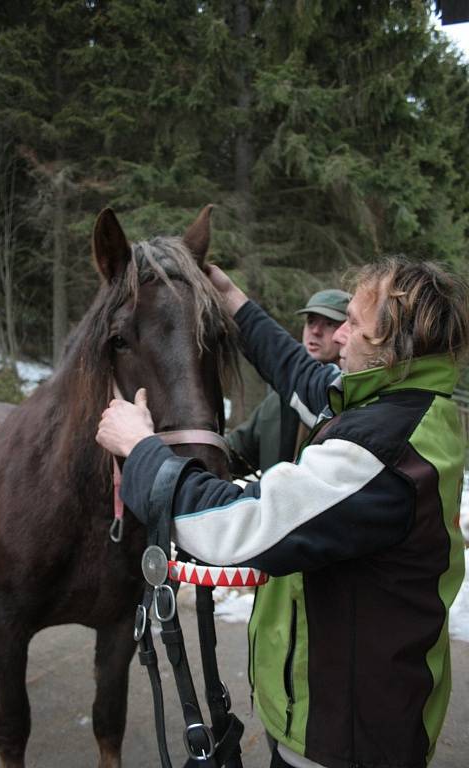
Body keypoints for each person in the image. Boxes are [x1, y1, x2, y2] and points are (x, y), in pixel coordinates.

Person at [96, 256, 469, 768]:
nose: (338, 338)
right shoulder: (402, 404)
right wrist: (230, 296)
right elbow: (295, 371)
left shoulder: (382, 449)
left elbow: (230, 529)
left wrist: (139, 448)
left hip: (345, 740)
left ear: (393, 346)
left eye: (353, 326)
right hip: (351, 715)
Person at [228, 289, 350, 477]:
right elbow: (235, 453)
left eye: (329, 323)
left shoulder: (353, 400)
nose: (315, 331)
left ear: (346, 331)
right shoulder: (276, 401)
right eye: (310, 321)